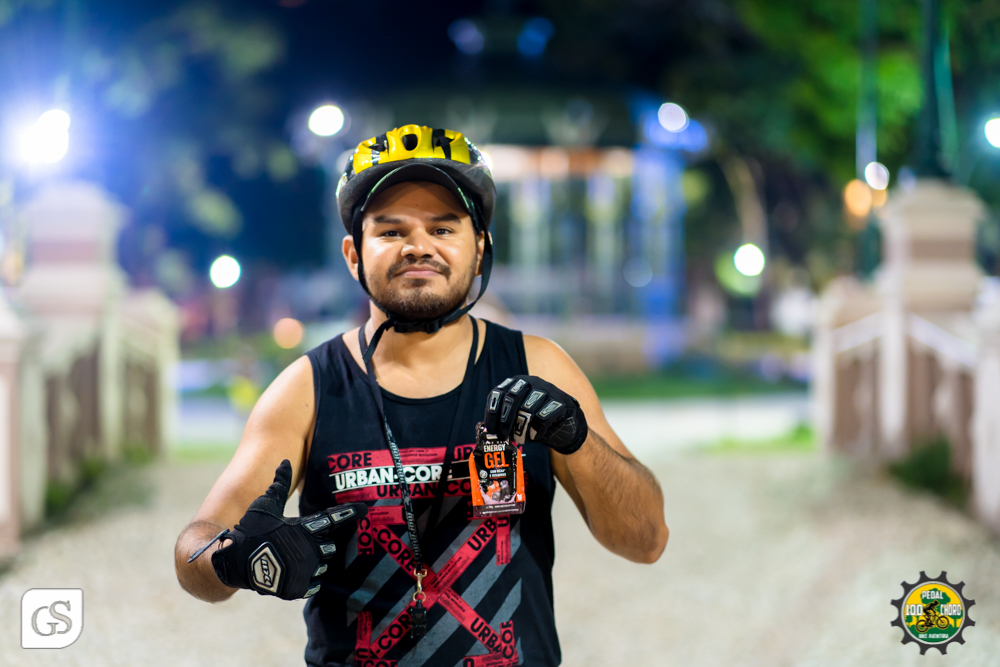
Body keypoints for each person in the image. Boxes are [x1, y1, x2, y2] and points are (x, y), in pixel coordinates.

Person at [174, 124, 669, 666]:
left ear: (479, 249)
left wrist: (578, 441)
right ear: (352, 254)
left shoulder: (539, 367)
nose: (418, 247)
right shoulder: (309, 387)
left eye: (443, 228)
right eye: (390, 232)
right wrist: (238, 560)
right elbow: (193, 551)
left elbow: (644, 541)